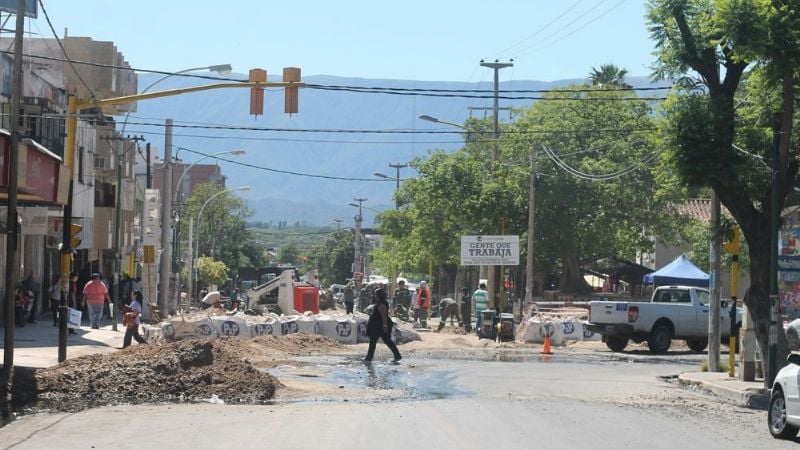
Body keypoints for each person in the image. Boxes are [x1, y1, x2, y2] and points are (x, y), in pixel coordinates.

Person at [363, 288, 401, 363]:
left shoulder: (382, 304)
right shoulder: (380, 302)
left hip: (379, 326)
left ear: (379, 295)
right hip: (378, 325)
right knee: (383, 341)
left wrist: (385, 326)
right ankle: (397, 355)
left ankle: (369, 358)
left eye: (375, 294)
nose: (374, 295)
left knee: (376, 341)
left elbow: (384, 315)